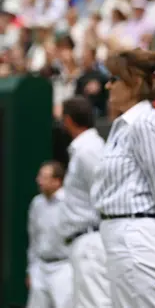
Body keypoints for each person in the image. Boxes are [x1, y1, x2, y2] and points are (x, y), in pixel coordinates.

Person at [91, 48, 155, 308]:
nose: (107, 86)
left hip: (136, 237)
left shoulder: (144, 122)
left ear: (133, 82)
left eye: (114, 79)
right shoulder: (123, 125)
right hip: (118, 237)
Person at [59, 96, 110, 307]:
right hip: (84, 241)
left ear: (68, 120)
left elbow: (106, 193)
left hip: (92, 241)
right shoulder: (84, 148)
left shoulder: (88, 149)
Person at [26, 161, 73, 308]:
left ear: (57, 181)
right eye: (40, 176)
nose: (39, 181)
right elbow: (33, 238)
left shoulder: (69, 203)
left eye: (44, 177)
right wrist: (31, 269)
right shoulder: (37, 204)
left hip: (64, 266)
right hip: (40, 266)